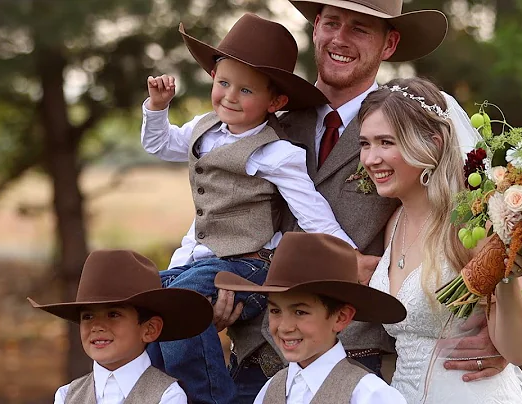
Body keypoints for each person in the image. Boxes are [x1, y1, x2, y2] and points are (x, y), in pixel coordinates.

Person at [212, 2, 522, 402]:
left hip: (354, 364)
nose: (339, 38)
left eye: (360, 28)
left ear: (389, 43)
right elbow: (220, 215)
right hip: (256, 361)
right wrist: (220, 285)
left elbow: (495, 226)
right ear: (315, 29)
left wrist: (493, 334)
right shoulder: (266, 119)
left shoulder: (415, 125)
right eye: (331, 23)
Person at [141, 13, 360, 403]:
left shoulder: (275, 151)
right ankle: (163, 393)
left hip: (248, 263)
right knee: (144, 300)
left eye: (245, 91)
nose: (229, 96)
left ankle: (209, 398)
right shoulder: (202, 128)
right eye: (223, 83)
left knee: (183, 304)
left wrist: (349, 258)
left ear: (274, 101)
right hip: (196, 258)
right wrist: (157, 108)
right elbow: (159, 145)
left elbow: (311, 210)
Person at [360, 77, 522, 403]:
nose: (371, 159)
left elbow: (518, 350)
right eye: (365, 144)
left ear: (435, 142)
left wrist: (508, 273)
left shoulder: (475, 224)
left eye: (386, 142)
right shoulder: (394, 223)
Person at [214, 232, 409, 404]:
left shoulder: (369, 395)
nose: (285, 327)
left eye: (300, 312)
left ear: (341, 317)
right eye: (275, 311)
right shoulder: (270, 390)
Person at [27, 249, 214, 404]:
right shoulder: (66, 396)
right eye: (88, 316)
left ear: (149, 329)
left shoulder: (168, 396)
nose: (97, 326)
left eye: (113, 314)